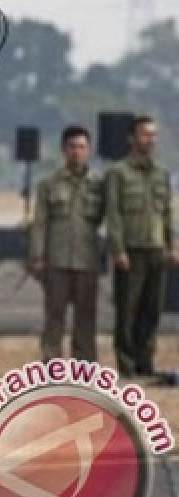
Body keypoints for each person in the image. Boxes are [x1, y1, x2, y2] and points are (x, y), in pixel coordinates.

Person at [105, 115, 177, 378]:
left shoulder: (161, 173)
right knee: (127, 311)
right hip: (131, 251)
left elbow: (167, 211)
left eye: (154, 135)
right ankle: (127, 365)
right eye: (145, 134)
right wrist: (118, 250)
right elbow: (113, 214)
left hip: (156, 249)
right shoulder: (118, 173)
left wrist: (173, 245)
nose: (150, 140)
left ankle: (146, 362)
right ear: (132, 138)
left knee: (152, 309)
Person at [27, 126, 103, 362]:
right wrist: (37, 257)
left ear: (89, 150)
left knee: (86, 319)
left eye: (81, 147)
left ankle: (85, 368)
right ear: (63, 150)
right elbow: (39, 223)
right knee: (54, 317)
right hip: (56, 261)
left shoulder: (99, 186)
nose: (77, 152)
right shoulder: (48, 185)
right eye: (72, 147)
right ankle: (52, 366)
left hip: (87, 261)